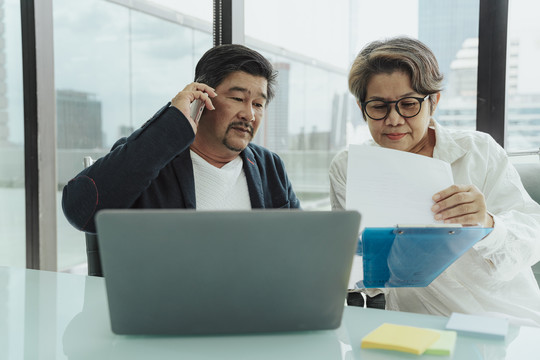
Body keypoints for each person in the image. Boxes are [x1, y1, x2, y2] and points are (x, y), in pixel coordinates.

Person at [329, 36, 540, 325]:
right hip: (420, 325)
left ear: (434, 102)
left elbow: (533, 235)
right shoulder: (348, 167)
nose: (393, 119)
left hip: (508, 319)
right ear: (361, 106)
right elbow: (360, 276)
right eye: (379, 107)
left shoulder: (479, 151)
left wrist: (488, 224)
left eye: (408, 104)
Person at [63, 44, 300, 234]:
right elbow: (80, 210)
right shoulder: (153, 155)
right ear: (202, 97)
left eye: (258, 104)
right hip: (168, 294)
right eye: (238, 98)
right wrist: (170, 124)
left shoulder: (270, 166)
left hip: (257, 293)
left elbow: (300, 241)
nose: (249, 114)